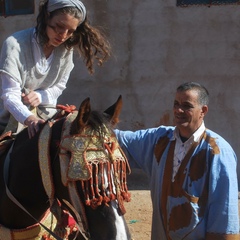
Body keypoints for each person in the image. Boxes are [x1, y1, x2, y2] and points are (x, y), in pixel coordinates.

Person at [115, 82, 239, 239]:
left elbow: (224, 212)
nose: (178, 110)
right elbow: (118, 139)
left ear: (203, 111)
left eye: (187, 106)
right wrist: (77, 119)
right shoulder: (159, 140)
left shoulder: (217, 151)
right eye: (176, 104)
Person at [0, 0, 111, 138]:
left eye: (70, 31)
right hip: (11, 123)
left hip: (49, 120)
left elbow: (59, 86)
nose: (63, 36)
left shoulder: (66, 51)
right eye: (59, 26)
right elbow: (10, 95)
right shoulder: (15, 45)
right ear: (47, 16)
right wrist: (30, 119)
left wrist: (40, 96)